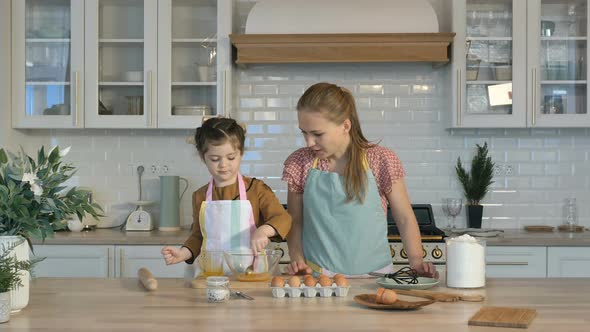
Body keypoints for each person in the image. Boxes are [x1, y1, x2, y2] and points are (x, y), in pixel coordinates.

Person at [282, 82, 438, 278]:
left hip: (376, 277)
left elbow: (405, 218)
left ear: (345, 126)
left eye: (317, 134)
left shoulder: (380, 160)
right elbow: (295, 221)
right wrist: (298, 261)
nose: (309, 142)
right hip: (319, 279)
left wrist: (416, 262)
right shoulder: (300, 163)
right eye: (304, 132)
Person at [162, 117, 291, 273]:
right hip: (212, 276)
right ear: (203, 158)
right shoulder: (200, 195)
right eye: (215, 159)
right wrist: (183, 253)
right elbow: (198, 236)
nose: (223, 164)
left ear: (241, 154)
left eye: (231, 157)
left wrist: (263, 231)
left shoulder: (256, 189)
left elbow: (283, 218)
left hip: (250, 276)